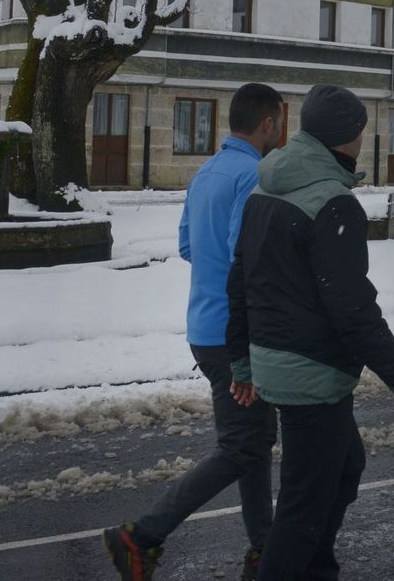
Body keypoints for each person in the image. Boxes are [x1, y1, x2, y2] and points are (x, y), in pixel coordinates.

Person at [228, 84, 394, 581]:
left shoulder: (264, 188)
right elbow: (352, 306)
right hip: (311, 373)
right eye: (361, 129)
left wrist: (245, 363)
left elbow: (240, 283)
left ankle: (316, 568)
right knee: (302, 505)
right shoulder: (334, 203)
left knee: (344, 467)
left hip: (281, 360)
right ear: (348, 138)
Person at [105, 83, 286, 581]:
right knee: (242, 446)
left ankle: (263, 547)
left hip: (203, 327)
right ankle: (140, 537)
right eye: (280, 123)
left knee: (251, 439)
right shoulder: (254, 174)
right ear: (267, 124)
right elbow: (243, 260)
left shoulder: (206, 171)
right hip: (235, 332)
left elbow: (188, 245)